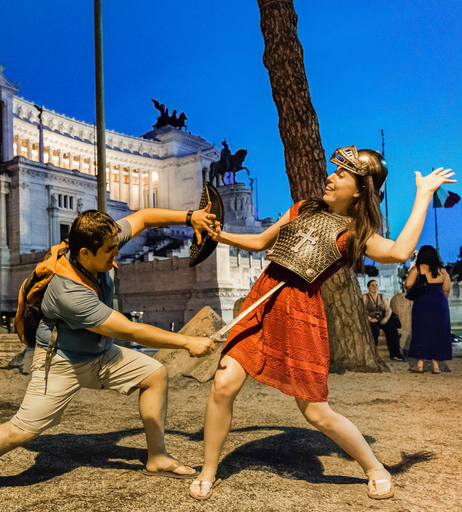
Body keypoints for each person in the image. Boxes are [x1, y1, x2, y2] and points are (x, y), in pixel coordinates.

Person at [189, 146, 454, 502]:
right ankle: (209, 469)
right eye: (334, 172)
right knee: (223, 383)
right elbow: (258, 242)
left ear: (360, 189)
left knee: (315, 411)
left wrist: (422, 196)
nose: (330, 177)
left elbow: (399, 252)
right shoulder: (302, 208)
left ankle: (374, 467)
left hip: (300, 314)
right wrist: (217, 236)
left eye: (342, 175)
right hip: (261, 302)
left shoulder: (355, 233)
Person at [0, 207, 218, 511]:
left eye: (116, 245)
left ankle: (157, 457)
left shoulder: (99, 239)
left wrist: (190, 217)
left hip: (100, 352)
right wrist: (186, 342)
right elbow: (129, 329)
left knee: (154, 374)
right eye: (109, 251)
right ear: (84, 253)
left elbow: (143, 217)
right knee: (22, 430)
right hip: (62, 363)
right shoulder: (68, 293)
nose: (116, 254)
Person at [406, 245, 452, 373]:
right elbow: (447, 289)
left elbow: (408, 284)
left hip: (422, 303)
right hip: (439, 303)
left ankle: (420, 365)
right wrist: (442, 301)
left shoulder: (417, 269)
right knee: (438, 333)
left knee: (421, 332)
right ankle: (436, 366)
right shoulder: (442, 271)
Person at [362, 279, 403, 360]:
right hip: (371, 320)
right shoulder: (365, 297)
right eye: (372, 285)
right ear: (368, 287)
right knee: (374, 330)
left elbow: (388, 309)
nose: (375, 287)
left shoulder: (382, 296)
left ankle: (395, 354)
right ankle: (373, 354)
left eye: (376, 285)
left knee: (392, 328)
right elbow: (362, 310)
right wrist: (370, 319)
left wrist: (386, 318)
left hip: (382, 319)